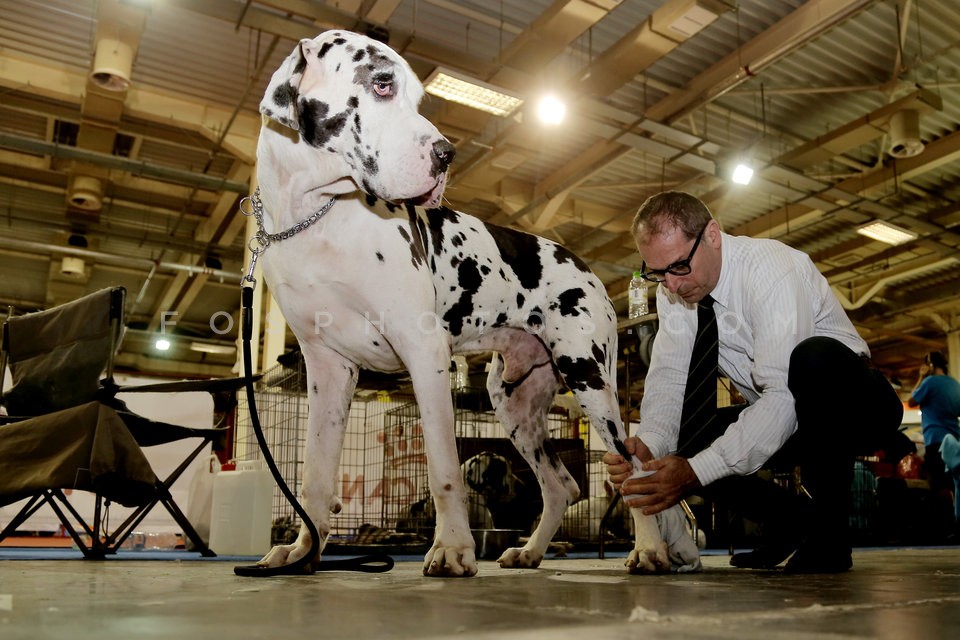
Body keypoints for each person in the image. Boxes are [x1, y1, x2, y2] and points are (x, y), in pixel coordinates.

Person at [604, 191, 903, 573]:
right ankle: (791, 522)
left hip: (852, 407)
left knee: (813, 359)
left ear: (712, 234)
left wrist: (695, 471)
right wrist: (649, 446)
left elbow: (783, 398)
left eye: (678, 267)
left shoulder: (771, 270)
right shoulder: (674, 291)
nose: (671, 286)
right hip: (783, 415)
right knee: (688, 434)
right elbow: (671, 376)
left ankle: (829, 536)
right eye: (657, 273)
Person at [908, 350, 960, 521]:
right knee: (954, 483)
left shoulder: (930, 382)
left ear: (930, 365)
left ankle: (944, 526)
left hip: (935, 439)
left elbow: (912, 401)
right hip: (954, 440)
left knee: (937, 484)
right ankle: (956, 520)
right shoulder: (954, 384)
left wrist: (921, 377)